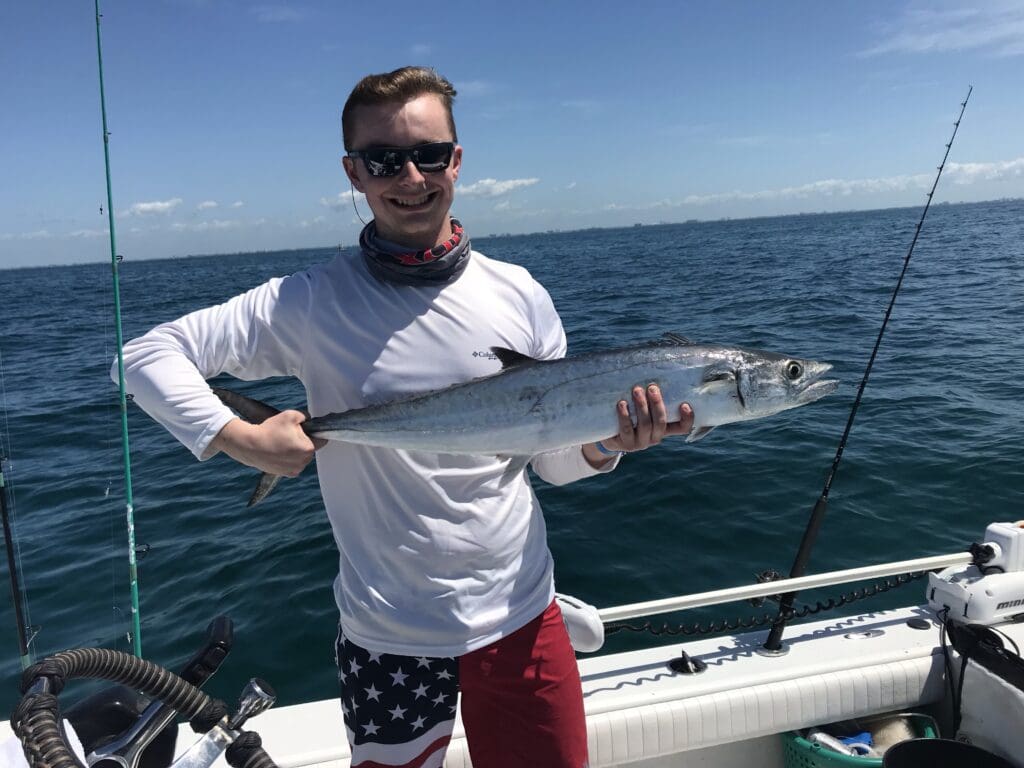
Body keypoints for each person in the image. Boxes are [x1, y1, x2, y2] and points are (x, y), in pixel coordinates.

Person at [116, 66, 694, 768]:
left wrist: (608, 445)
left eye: (429, 154)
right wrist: (237, 437)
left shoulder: (521, 294)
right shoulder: (306, 303)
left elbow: (553, 464)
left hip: (523, 618)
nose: (411, 176)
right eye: (384, 159)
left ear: (456, 159)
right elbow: (144, 355)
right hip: (388, 637)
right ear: (353, 172)